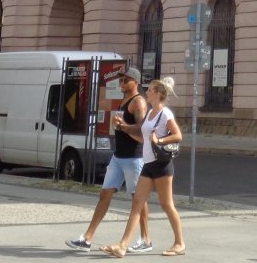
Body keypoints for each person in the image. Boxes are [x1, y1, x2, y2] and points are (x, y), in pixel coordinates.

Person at [67, 67, 152, 252]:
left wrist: (123, 127)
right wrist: (120, 127)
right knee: (105, 194)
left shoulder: (138, 102)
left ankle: (146, 239)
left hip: (134, 158)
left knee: (138, 199)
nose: (121, 82)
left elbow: (142, 132)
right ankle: (87, 238)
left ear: (135, 82)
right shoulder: (125, 100)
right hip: (118, 156)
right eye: (121, 78)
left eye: (125, 79)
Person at [102, 76, 184, 257]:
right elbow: (142, 136)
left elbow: (178, 135)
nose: (146, 91)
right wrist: (122, 126)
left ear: (158, 94)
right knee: (137, 203)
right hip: (147, 164)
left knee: (166, 204)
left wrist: (159, 140)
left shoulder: (165, 113)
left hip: (161, 165)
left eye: (150, 90)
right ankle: (122, 246)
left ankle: (179, 243)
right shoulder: (149, 113)